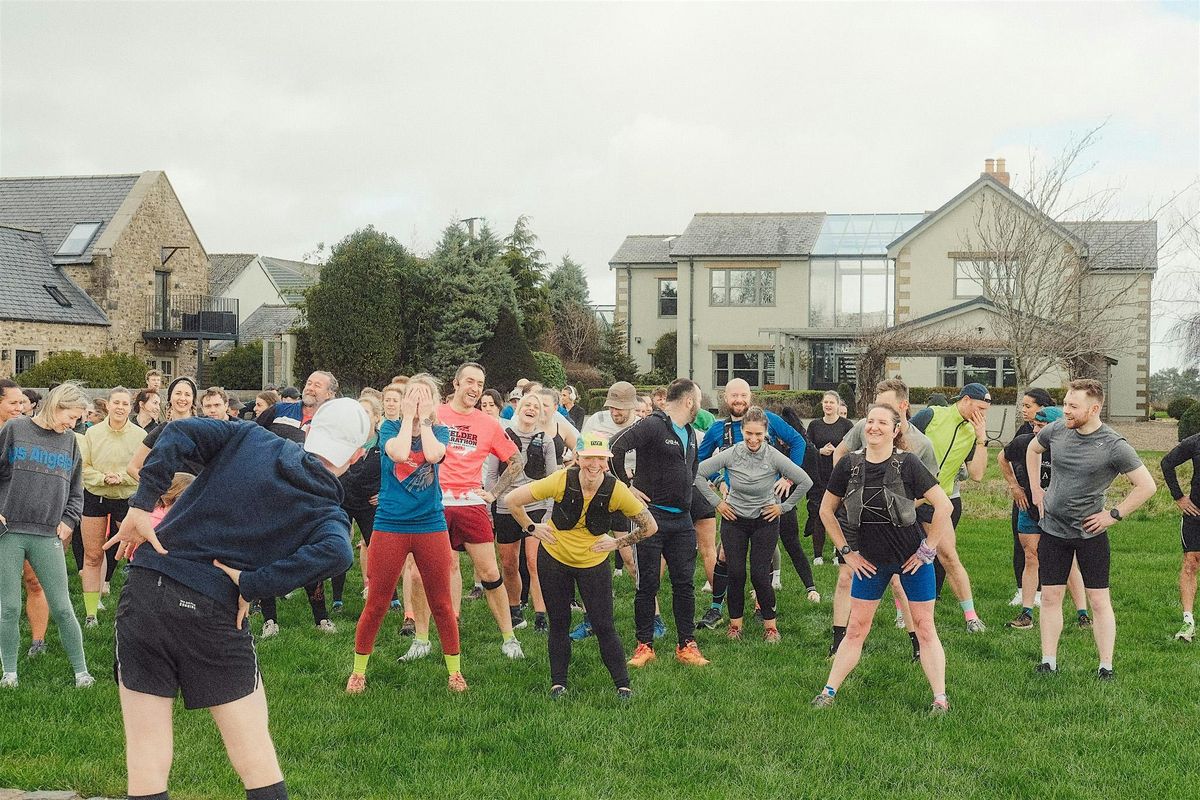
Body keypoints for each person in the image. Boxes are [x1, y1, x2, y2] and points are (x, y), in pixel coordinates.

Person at [104, 398, 366, 799]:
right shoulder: (325, 512)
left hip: (146, 590)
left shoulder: (248, 436)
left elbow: (178, 431)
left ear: (310, 430)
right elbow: (338, 553)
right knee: (255, 756)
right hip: (212, 610)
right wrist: (252, 583)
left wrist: (142, 504)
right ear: (357, 455)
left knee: (145, 755)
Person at [812, 403, 952, 714]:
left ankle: (940, 699)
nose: (874, 427)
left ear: (896, 429)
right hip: (870, 563)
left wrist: (927, 550)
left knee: (925, 627)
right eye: (870, 421)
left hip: (911, 560)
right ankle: (828, 692)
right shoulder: (848, 464)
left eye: (882, 423)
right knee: (856, 628)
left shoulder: (908, 463)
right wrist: (847, 553)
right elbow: (825, 511)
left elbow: (945, 506)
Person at [506, 435, 658, 698]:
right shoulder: (561, 480)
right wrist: (531, 527)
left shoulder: (616, 490)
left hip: (593, 562)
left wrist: (617, 543)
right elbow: (512, 500)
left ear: (607, 462)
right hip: (554, 558)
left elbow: (650, 526)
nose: (594, 464)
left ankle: (623, 686)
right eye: (588, 457)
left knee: (604, 625)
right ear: (578, 458)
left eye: (600, 458)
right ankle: (558, 684)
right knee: (559, 622)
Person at [1027, 379, 1156, 679]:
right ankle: (1048, 662)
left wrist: (1113, 515)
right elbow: (1033, 450)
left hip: (1090, 534)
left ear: (1094, 409)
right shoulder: (1057, 430)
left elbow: (1147, 486)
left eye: (1073, 406)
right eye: (1065, 403)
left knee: (1098, 600)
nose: (1065, 411)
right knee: (1050, 597)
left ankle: (1105, 667)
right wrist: (1036, 489)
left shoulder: (1113, 445)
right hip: (1053, 530)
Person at [348, 376, 467, 693]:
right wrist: (407, 419)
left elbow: (433, 455)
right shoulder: (389, 428)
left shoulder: (439, 431)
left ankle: (454, 672)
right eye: (412, 395)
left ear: (434, 402)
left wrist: (424, 421)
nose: (417, 400)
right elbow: (399, 454)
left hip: (430, 523)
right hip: (390, 524)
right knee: (377, 602)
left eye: (424, 396)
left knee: (441, 602)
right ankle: (358, 671)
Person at [401, 362, 526, 662]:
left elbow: (516, 461)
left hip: (470, 504)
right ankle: (421, 640)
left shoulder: (489, 424)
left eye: (480, 384)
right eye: (469, 381)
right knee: (419, 574)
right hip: (434, 504)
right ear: (455, 384)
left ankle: (509, 638)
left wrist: (494, 494)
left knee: (490, 573)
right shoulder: (435, 414)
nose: (475, 388)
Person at [832, 379, 937, 661]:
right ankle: (839, 640)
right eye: (874, 410)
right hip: (857, 522)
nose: (876, 420)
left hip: (899, 527)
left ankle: (917, 642)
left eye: (885, 407)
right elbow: (841, 454)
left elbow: (932, 492)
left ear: (902, 408)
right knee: (846, 575)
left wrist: (897, 505)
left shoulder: (921, 445)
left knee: (899, 584)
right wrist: (847, 491)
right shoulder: (863, 427)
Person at [611, 378, 710, 667]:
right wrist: (626, 486)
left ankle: (686, 645)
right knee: (647, 584)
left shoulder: (690, 432)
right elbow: (615, 446)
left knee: (684, 584)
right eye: (698, 400)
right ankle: (644, 645)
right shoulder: (654, 424)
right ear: (689, 401)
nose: (700, 405)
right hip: (649, 518)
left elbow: (692, 467)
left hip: (682, 521)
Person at [0, 383, 93, 689]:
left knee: (64, 607)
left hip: (47, 535)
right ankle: (9, 673)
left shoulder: (70, 442)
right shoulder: (15, 429)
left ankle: (82, 673)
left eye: (78, 419)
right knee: (9, 607)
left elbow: (76, 490)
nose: (73, 424)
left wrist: (69, 520)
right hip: (9, 532)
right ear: (57, 405)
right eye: (72, 416)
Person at [695, 378, 807, 631]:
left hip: (765, 506)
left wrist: (788, 478)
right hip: (734, 506)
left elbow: (798, 442)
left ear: (750, 397)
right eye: (734, 396)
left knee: (762, 561)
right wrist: (719, 481)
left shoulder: (768, 420)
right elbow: (699, 463)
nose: (739, 400)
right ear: (725, 398)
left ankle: (762, 609)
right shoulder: (718, 428)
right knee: (726, 558)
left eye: (743, 395)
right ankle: (717, 608)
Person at [254, 371, 343, 634]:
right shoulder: (279, 410)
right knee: (266, 554)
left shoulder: (333, 422)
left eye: (318, 385)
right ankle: (270, 620)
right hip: (270, 494)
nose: (310, 388)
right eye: (309, 383)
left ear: (330, 394)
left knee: (309, 554)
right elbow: (251, 436)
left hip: (308, 499)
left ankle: (321, 618)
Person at [998, 406, 1090, 630]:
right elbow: (1002, 457)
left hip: (1061, 513)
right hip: (1029, 510)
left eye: (1041, 426)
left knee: (1069, 562)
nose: (1035, 430)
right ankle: (1026, 614)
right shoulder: (1024, 443)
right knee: (1031, 557)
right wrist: (1014, 487)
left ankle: (1083, 615)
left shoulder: (1071, 447)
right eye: (1034, 425)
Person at [909, 383, 991, 632]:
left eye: (985, 411)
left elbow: (977, 474)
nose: (982, 415)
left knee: (949, 557)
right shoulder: (931, 414)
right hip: (907, 497)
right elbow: (899, 440)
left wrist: (981, 439)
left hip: (936, 502)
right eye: (979, 409)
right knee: (900, 557)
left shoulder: (972, 432)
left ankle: (971, 617)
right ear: (965, 400)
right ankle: (903, 614)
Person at [573, 381, 643, 640]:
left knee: (632, 559)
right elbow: (579, 452)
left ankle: (651, 616)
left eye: (620, 408)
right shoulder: (596, 422)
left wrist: (633, 483)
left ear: (633, 407)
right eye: (612, 407)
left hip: (626, 497)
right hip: (595, 496)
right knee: (589, 557)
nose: (615, 412)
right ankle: (589, 619)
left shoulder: (642, 427)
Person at [489, 392, 557, 632]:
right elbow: (491, 476)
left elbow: (553, 479)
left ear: (541, 413)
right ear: (518, 409)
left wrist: (549, 511)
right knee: (509, 563)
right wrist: (490, 508)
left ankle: (541, 614)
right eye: (527, 405)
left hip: (535, 505)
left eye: (536, 407)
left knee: (533, 561)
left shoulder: (546, 441)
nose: (531, 409)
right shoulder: (503, 436)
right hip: (506, 505)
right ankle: (514, 607)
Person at [79, 386, 146, 626]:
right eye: (116, 402)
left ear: (131, 407)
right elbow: (83, 467)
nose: (120, 407)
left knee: (134, 554)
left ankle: (136, 609)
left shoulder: (140, 435)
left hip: (126, 498)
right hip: (95, 496)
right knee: (93, 555)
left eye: (125, 403)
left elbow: (142, 470)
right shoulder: (92, 433)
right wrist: (103, 478)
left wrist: (122, 477)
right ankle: (91, 613)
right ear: (107, 405)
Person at [0, 380, 52, 660]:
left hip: (29, 520)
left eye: (22, 402)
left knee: (35, 581)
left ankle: (38, 642)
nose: (20, 408)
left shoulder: (31, 434)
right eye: (13, 403)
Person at [333, 394, 383, 614]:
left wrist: (385, 493)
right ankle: (337, 599)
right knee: (340, 545)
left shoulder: (385, 442)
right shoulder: (345, 441)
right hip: (344, 501)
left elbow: (396, 472)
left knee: (377, 549)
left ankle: (388, 596)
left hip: (370, 505)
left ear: (376, 417)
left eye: (366, 412)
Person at [1006, 388, 1056, 606]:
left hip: (1051, 500)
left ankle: (1046, 591)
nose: (1023, 410)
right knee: (1024, 545)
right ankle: (1023, 591)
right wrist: (1015, 486)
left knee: (1051, 547)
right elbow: (1007, 457)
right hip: (1025, 497)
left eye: (1028, 406)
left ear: (1043, 407)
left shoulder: (1057, 431)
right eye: (1023, 406)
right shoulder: (1024, 433)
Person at [806, 391, 854, 564]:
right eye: (825, 402)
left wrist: (838, 452)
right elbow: (807, 448)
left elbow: (853, 448)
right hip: (819, 475)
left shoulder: (846, 425)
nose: (828, 405)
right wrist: (820, 451)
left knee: (840, 515)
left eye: (831, 402)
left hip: (840, 475)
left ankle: (838, 552)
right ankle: (818, 555)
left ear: (838, 405)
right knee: (819, 513)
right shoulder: (814, 425)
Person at [1163, 430, 1200, 643]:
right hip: (1195, 513)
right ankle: (1188, 622)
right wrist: (1178, 497)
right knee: (1190, 563)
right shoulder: (1195, 442)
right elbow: (1167, 463)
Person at [127, 376, 198, 481]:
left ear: (193, 400)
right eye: (178, 393)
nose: (182, 398)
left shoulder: (201, 430)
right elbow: (132, 468)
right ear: (170, 398)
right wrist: (153, 486)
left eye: (187, 394)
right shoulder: (161, 430)